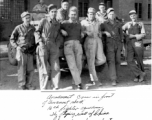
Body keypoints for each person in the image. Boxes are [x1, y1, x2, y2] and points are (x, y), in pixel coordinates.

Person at [35, 4, 61, 90]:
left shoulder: (57, 23)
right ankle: (44, 87)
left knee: (56, 67)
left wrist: (57, 45)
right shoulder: (44, 21)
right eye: (52, 12)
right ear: (49, 12)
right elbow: (37, 32)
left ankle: (55, 86)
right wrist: (40, 42)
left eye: (55, 12)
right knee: (44, 67)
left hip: (53, 45)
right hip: (44, 44)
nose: (53, 13)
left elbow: (59, 36)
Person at [10, 12, 36, 90]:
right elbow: (12, 39)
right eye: (26, 18)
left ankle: (29, 84)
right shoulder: (18, 28)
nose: (28, 19)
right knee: (21, 69)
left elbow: (35, 39)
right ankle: (21, 85)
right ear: (22, 19)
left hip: (30, 52)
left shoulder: (33, 28)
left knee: (30, 69)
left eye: (29, 18)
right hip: (22, 51)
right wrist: (16, 47)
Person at [81, 7, 106, 87]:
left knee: (102, 59)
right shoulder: (83, 22)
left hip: (98, 41)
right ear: (87, 14)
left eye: (93, 13)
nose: (92, 15)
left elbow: (101, 27)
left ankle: (89, 64)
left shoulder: (98, 22)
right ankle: (95, 80)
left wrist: (101, 33)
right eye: (90, 13)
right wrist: (86, 32)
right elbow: (80, 32)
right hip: (89, 41)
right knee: (91, 61)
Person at [60, 6, 83, 90]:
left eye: (75, 14)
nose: (73, 16)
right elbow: (56, 28)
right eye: (72, 14)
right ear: (69, 15)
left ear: (76, 15)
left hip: (77, 44)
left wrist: (83, 32)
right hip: (68, 45)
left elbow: (82, 31)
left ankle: (75, 82)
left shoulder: (78, 23)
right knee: (72, 65)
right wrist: (61, 30)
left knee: (79, 65)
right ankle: (79, 83)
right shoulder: (64, 23)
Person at [100, 8, 123, 86]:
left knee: (118, 61)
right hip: (109, 44)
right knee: (111, 61)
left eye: (113, 14)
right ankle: (113, 79)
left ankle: (117, 77)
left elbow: (121, 35)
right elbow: (99, 32)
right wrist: (104, 32)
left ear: (115, 15)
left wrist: (121, 46)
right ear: (107, 15)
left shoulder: (119, 23)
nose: (112, 15)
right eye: (110, 14)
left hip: (118, 44)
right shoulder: (104, 23)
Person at [122, 10, 146, 82]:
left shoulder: (140, 24)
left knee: (139, 60)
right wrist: (125, 35)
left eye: (134, 15)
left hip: (138, 42)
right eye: (131, 16)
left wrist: (134, 36)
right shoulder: (128, 24)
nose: (133, 17)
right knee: (129, 60)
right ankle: (139, 74)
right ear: (130, 17)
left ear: (136, 15)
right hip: (129, 43)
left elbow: (143, 34)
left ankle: (140, 76)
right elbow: (121, 30)